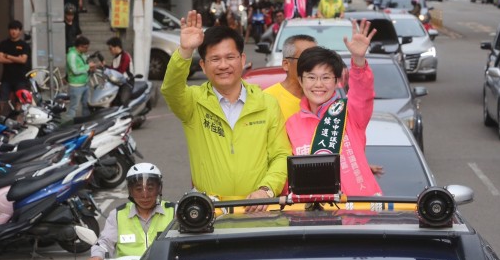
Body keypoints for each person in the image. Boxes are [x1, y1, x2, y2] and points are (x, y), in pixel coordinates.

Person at [161, 11, 290, 210]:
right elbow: (171, 89)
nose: (223, 65)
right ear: (203, 65)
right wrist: (185, 52)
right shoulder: (193, 103)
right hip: (210, 213)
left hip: (260, 210)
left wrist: (266, 190)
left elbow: (281, 155)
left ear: (242, 59)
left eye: (230, 57)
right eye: (215, 59)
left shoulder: (267, 103)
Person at [285, 19, 382, 196]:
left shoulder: (350, 114)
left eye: (326, 77)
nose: (318, 84)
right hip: (312, 217)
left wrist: (358, 61)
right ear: (300, 80)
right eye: (311, 77)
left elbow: (362, 94)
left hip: (360, 215)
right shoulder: (291, 124)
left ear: (337, 81)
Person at [86, 163, 174, 260]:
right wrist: (97, 256)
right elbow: (104, 242)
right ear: (130, 191)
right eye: (138, 189)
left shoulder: (174, 211)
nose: (145, 195)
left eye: (150, 188)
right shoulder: (118, 214)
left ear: (159, 189)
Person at [264, 35, 317, 121]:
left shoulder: (322, 98)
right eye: (306, 59)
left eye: (317, 60)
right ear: (286, 64)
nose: (313, 65)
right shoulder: (267, 100)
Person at [0, 20, 31, 102]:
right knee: (1, 100)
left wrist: (8, 56)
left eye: (16, 29)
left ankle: (18, 115)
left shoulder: (24, 45)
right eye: (11, 29)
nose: (13, 31)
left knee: (20, 101)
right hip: (6, 79)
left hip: (20, 79)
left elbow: (23, 60)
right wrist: (17, 59)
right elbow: (0, 59)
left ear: (20, 31)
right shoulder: (3, 44)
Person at [66, 35, 95, 119]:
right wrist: (88, 67)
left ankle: (86, 122)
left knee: (86, 105)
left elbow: (84, 64)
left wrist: (90, 67)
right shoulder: (72, 55)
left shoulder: (81, 54)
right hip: (76, 85)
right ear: (80, 47)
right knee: (73, 107)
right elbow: (75, 70)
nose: (87, 50)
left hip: (84, 83)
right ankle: (69, 124)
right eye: (86, 48)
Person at [106, 36, 133, 105]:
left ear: (117, 47)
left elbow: (120, 71)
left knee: (122, 101)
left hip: (127, 82)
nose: (110, 51)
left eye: (110, 48)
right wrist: (105, 67)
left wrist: (108, 69)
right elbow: (113, 69)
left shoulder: (125, 56)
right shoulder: (116, 57)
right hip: (117, 81)